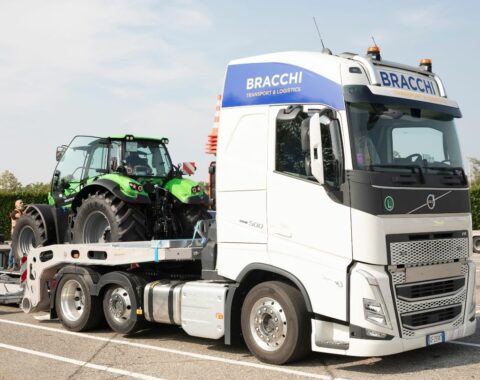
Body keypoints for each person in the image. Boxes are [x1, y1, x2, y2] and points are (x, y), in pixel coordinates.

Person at [7, 199, 24, 271]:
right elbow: (20, 217)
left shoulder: (20, 212)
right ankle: (11, 265)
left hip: (18, 233)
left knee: (14, 248)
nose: (22, 204)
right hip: (15, 233)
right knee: (14, 248)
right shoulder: (15, 212)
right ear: (16, 205)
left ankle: (12, 265)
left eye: (22, 202)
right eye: (20, 203)